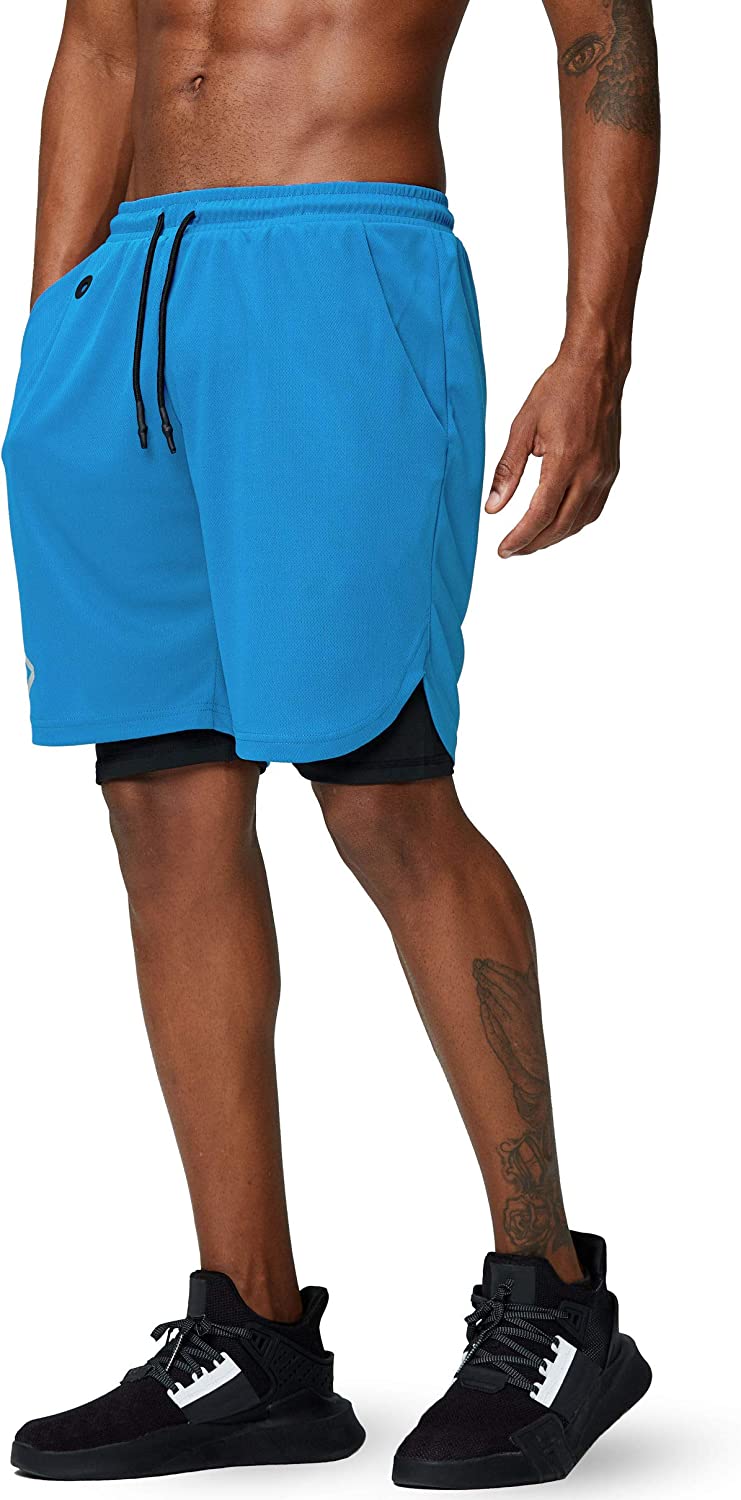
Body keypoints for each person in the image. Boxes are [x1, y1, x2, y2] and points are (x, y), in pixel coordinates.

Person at [3, 0, 659, 1487]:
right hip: (128, 300)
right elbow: (100, 43)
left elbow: (603, 32)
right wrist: (55, 331)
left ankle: (555, 1300)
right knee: (161, 806)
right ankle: (252, 1336)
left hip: (340, 273)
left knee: (384, 797)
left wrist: (594, 349)